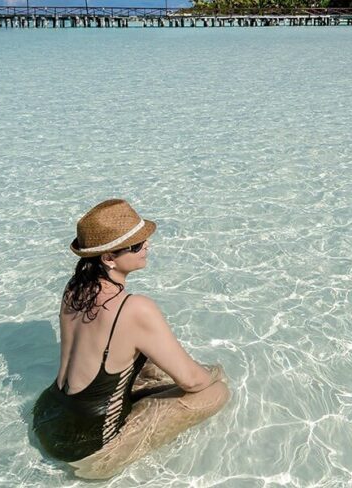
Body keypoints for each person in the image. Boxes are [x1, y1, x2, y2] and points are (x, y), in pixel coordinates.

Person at [32, 199, 230, 479]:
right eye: (136, 245)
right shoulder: (134, 308)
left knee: (149, 364)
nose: (146, 246)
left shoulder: (75, 288)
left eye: (144, 239)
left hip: (47, 417)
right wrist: (213, 374)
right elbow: (193, 381)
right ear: (109, 258)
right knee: (216, 389)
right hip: (92, 453)